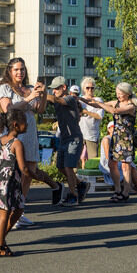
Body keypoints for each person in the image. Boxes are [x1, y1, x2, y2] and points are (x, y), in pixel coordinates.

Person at [0, 58, 63, 224]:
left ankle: (20, 209)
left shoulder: (29, 88)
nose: (20, 73)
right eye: (16, 70)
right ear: (10, 71)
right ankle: (10, 210)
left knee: (29, 171)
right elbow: (8, 109)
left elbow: (40, 109)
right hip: (14, 134)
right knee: (13, 172)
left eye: (22, 69)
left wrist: (42, 94)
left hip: (30, 132)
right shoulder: (5, 88)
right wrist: (28, 98)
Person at [81, 82, 137, 202]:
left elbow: (115, 111)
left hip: (126, 138)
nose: (118, 95)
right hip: (116, 138)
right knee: (111, 164)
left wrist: (99, 103)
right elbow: (96, 105)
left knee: (125, 166)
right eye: (117, 93)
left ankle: (125, 192)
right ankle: (117, 189)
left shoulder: (131, 106)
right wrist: (81, 100)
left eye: (120, 93)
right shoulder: (115, 102)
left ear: (127, 93)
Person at [46, 76, 90, 206]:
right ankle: (80, 184)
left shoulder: (70, 98)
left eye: (56, 88)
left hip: (74, 138)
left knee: (68, 167)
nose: (53, 91)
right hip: (64, 138)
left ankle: (73, 195)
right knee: (60, 167)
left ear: (64, 87)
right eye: (52, 89)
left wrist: (43, 94)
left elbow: (58, 100)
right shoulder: (57, 99)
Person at [0, 108, 28, 257]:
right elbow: (23, 167)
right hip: (6, 183)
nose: (27, 124)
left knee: (19, 209)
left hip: (10, 182)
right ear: (15, 125)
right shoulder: (16, 143)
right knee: (4, 214)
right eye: (24, 122)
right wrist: (36, 175)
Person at [79, 77, 104, 168]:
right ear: (83, 89)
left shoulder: (98, 100)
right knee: (77, 159)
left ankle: (92, 176)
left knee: (93, 159)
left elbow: (99, 116)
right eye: (87, 88)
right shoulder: (79, 100)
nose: (90, 90)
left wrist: (86, 112)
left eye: (92, 88)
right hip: (79, 133)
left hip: (92, 134)